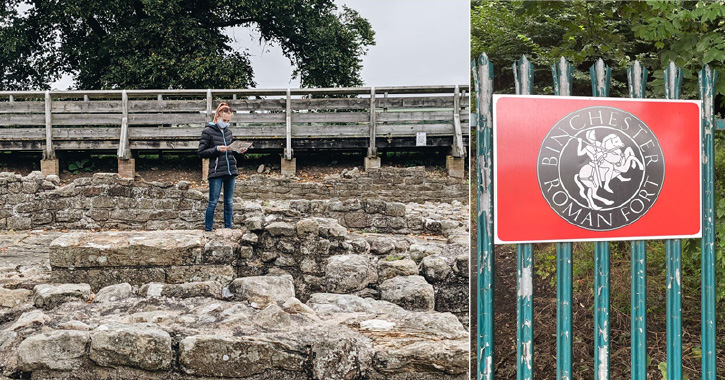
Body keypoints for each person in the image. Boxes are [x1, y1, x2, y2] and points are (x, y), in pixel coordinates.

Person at [197, 102, 246, 231]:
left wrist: (240, 152)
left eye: (228, 120)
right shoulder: (208, 132)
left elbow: (234, 154)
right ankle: (208, 229)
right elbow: (201, 152)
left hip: (231, 171)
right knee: (213, 202)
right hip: (216, 172)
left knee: (229, 203)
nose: (226, 122)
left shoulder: (229, 132)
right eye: (224, 120)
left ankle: (228, 229)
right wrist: (217, 149)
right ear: (218, 116)